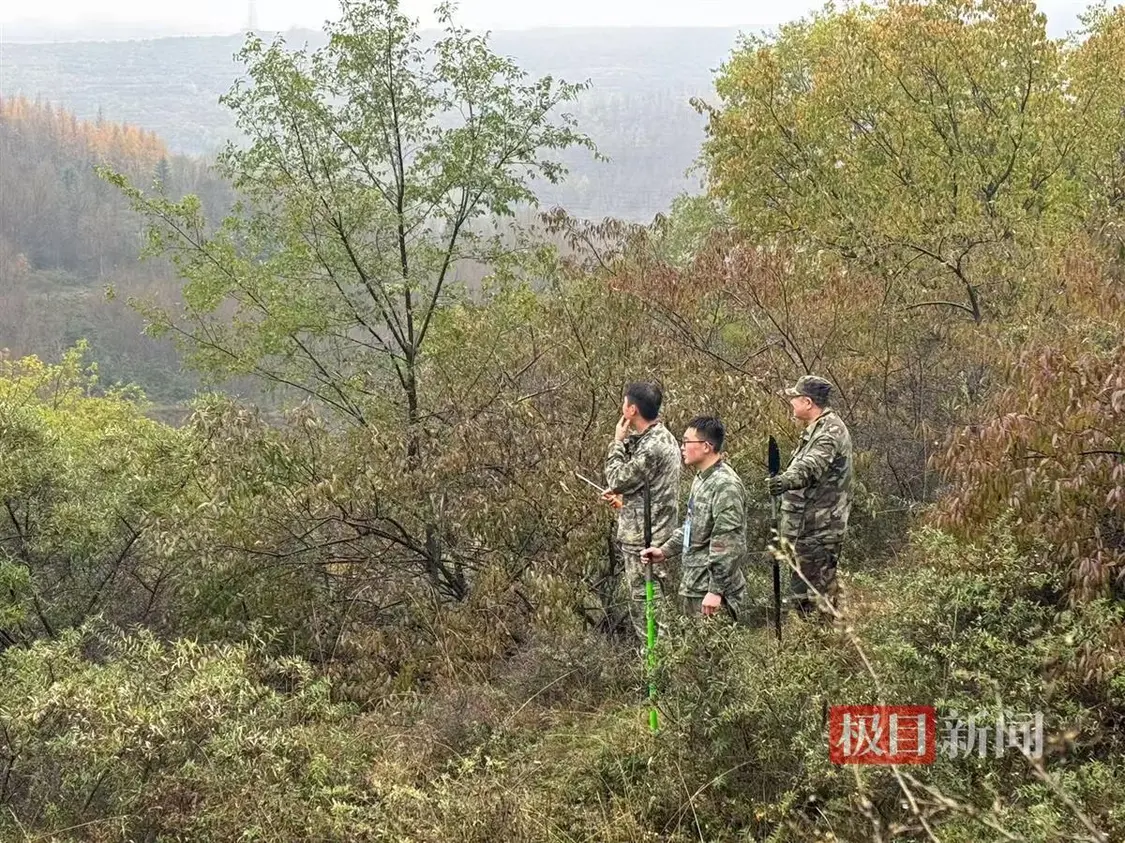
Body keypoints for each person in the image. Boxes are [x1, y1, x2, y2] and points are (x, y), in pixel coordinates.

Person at [641, 416, 748, 620]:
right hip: (694, 587)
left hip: (712, 594)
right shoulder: (701, 479)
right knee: (696, 652)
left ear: (706, 446)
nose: (682, 448)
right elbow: (692, 527)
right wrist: (664, 551)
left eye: (687, 442)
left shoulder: (725, 485)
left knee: (715, 651)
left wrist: (716, 591)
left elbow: (728, 541)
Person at [766, 375, 854, 617]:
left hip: (819, 530)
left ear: (807, 401)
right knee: (805, 598)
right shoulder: (816, 429)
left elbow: (811, 466)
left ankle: (825, 649)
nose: (791, 403)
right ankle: (818, 646)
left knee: (815, 601)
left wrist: (784, 481)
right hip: (807, 530)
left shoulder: (830, 430)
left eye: (794, 398)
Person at [604, 381, 682, 640]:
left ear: (632, 409)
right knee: (652, 613)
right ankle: (657, 673)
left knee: (650, 619)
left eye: (624, 403)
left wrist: (617, 442)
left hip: (646, 543)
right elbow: (642, 485)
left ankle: (657, 677)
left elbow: (617, 479)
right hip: (652, 536)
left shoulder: (653, 446)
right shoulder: (658, 438)